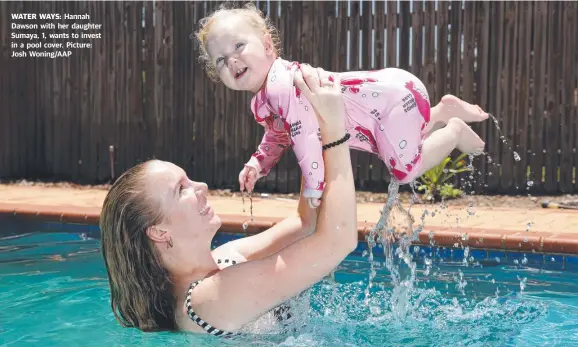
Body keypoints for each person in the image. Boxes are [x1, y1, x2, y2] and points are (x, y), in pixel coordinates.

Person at [99, 65, 358, 336]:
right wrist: (334, 131)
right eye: (181, 189)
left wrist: (308, 124)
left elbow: (306, 223)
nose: (201, 187)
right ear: (159, 231)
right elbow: (338, 241)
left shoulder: (223, 261)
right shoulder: (208, 300)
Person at [194, 3, 488, 208]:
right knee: (397, 148)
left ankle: (454, 130)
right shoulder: (269, 94)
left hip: (391, 102)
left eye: (238, 46)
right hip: (392, 98)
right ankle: (442, 111)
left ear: (267, 45)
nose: (231, 60)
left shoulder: (282, 84)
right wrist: (259, 163)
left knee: (405, 172)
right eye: (220, 60)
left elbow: (305, 135)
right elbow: (280, 133)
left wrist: (314, 186)